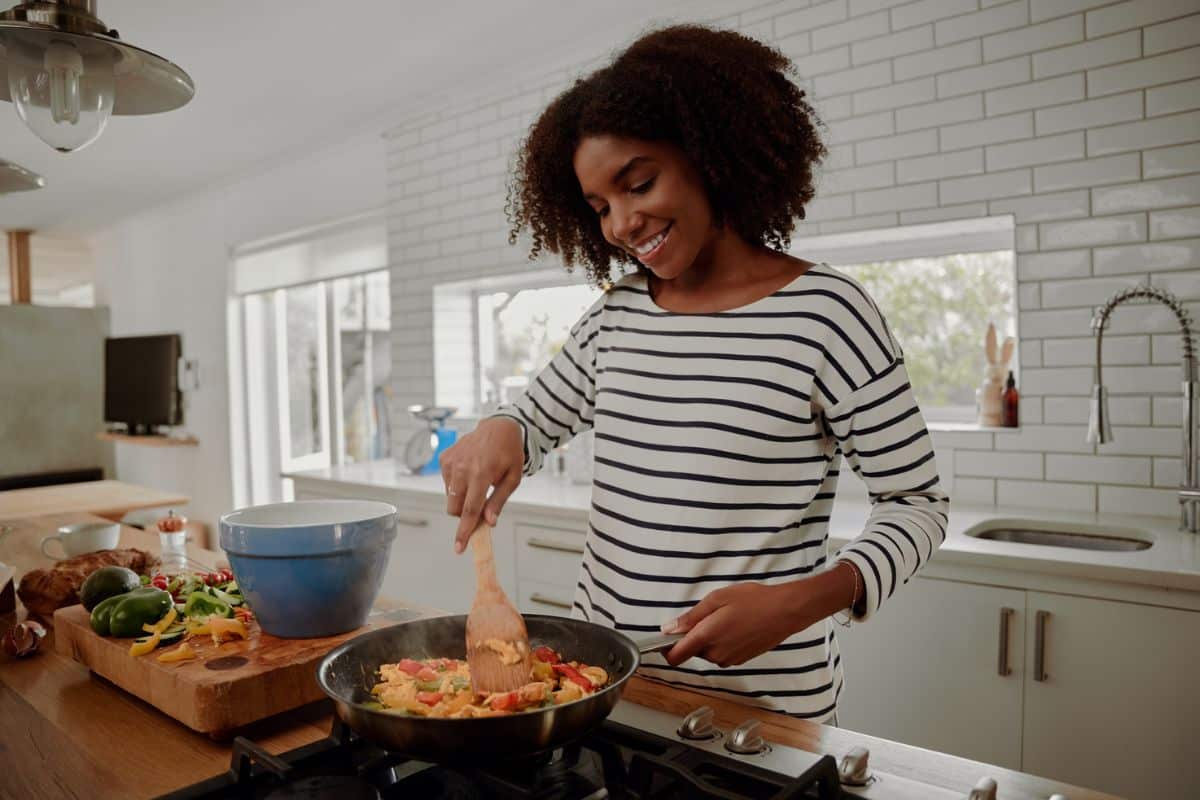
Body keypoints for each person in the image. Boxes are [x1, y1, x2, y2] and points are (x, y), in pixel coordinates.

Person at [439, 24, 949, 721]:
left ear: (710, 154)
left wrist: (800, 601)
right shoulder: (617, 316)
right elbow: (532, 421)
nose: (620, 223)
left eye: (639, 182)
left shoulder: (829, 314)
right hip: (609, 690)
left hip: (765, 708)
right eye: (600, 208)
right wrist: (501, 429)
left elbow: (916, 501)